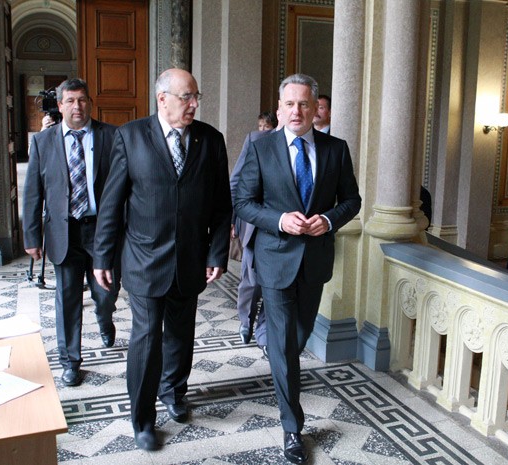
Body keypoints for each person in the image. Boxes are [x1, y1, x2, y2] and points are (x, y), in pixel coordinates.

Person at [92, 68, 232, 452]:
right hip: (143, 258)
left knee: (181, 334)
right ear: (162, 98)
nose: (194, 104)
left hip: (190, 259)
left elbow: (222, 205)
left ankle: (175, 391)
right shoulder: (131, 136)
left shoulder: (210, 140)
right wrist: (103, 255)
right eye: (186, 97)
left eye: (196, 96)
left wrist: (217, 251)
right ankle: (143, 419)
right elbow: (112, 203)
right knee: (148, 336)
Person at [234, 73, 361, 464]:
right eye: (289, 104)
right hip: (275, 261)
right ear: (279, 109)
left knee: (296, 337)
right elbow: (242, 201)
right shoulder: (261, 148)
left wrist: (327, 220)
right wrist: (278, 220)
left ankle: (278, 353)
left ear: (315, 108)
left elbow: (352, 200)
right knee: (285, 342)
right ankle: (292, 427)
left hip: (315, 261)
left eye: (304, 104)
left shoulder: (336, 149)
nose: (296, 111)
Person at [23, 78, 120, 387]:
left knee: (105, 293)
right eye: (70, 101)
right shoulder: (43, 142)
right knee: (67, 299)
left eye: (82, 100)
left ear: (89, 102)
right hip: (63, 232)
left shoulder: (111, 136)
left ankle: (106, 320)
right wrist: (31, 236)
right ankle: (70, 361)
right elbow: (32, 193)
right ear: (60, 105)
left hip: (101, 231)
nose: (77, 106)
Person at [230, 109, 284, 357]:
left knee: (275, 285)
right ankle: (246, 321)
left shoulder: (311, 145)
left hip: (286, 230)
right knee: (251, 281)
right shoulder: (256, 140)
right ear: (279, 111)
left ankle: (264, 334)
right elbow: (236, 182)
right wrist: (231, 220)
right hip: (254, 225)